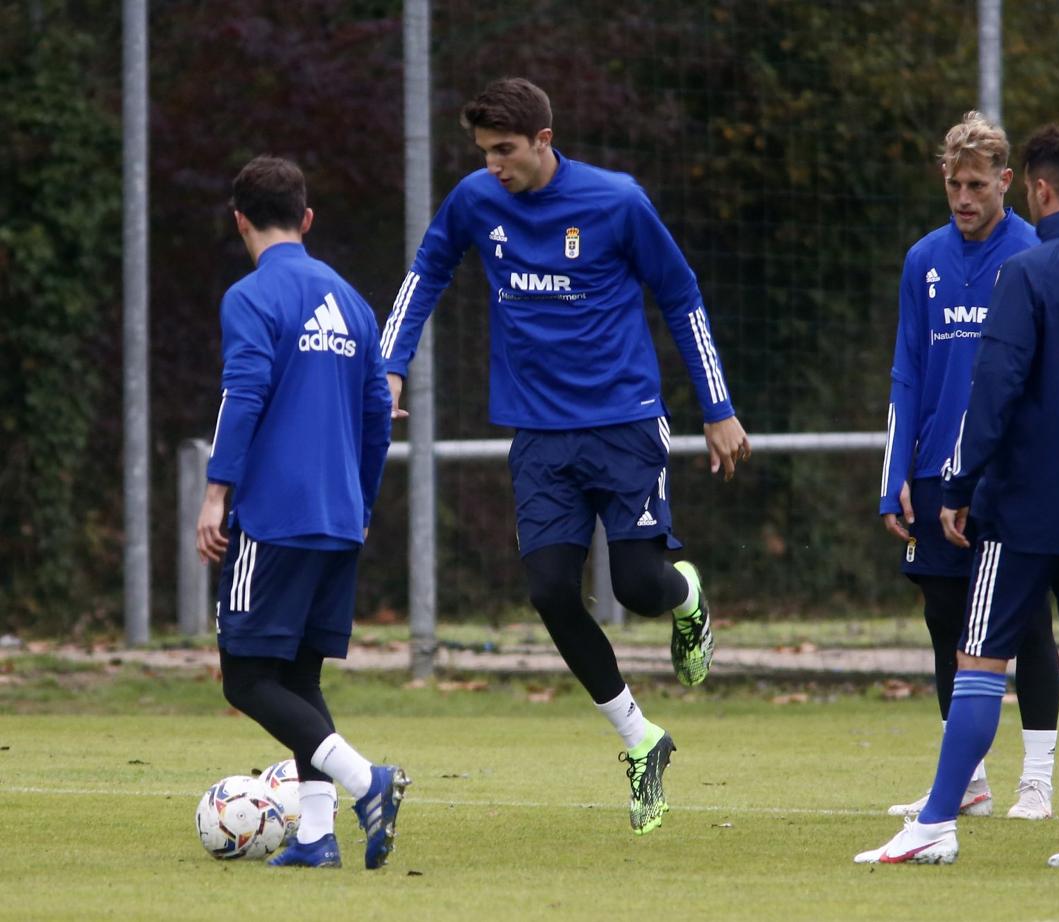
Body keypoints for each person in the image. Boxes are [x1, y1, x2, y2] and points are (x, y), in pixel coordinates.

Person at [380, 78, 750, 836]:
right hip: (539, 438)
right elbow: (425, 274)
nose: (494, 167)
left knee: (639, 584)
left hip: (623, 425)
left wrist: (718, 408)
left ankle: (686, 600)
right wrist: (388, 366)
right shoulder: (476, 201)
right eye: (484, 153)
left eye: (506, 151)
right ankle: (641, 740)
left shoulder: (617, 202)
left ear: (545, 141)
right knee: (550, 590)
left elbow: (681, 294)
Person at [856, 125, 1059, 867]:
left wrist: (960, 486)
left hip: (1023, 502)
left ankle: (937, 821)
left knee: (977, 659)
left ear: (1034, 189)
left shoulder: (1025, 272)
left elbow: (993, 392)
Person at [197, 156, 409, 869]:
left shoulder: (250, 296)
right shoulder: (352, 300)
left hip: (275, 518)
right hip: (341, 516)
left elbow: (244, 394)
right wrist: (365, 501)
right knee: (301, 679)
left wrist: (217, 492)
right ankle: (316, 839)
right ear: (307, 220)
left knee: (247, 678)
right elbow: (379, 414)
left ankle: (365, 781)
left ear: (240, 222)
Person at [879, 111, 1059, 821]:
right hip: (933, 474)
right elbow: (908, 370)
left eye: (976, 184)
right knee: (945, 619)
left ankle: (1038, 780)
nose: (962, 197)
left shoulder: (1035, 255)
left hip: (1011, 474)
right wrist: (896, 469)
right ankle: (971, 780)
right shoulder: (923, 259)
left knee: (1029, 623)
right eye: (953, 184)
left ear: (1007, 182)